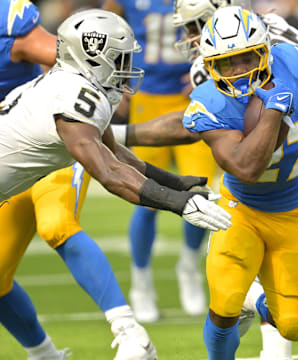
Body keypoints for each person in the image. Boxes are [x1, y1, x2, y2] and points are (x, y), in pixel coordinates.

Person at [113, 4, 298, 359]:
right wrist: (275, 108)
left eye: (246, 59)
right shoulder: (214, 95)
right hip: (244, 206)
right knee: (229, 298)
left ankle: (256, 307)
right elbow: (245, 166)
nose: (238, 71)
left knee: (294, 323)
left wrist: (289, 98)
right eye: (226, 63)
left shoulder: (293, 63)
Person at [0, 8, 232, 360]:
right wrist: (179, 205)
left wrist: (180, 185)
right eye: (119, 58)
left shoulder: (81, 86)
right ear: (92, 55)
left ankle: (57, 353)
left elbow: (120, 157)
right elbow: (109, 175)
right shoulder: (74, 96)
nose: (126, 66)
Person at [102, 0, 220, 323]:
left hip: (192, 96)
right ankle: (141, 285)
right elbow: (107, 25)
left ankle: (190, 266)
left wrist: (209, 71)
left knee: (200, 187)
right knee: (145, 195)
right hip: (147, 96)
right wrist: (116, 74)